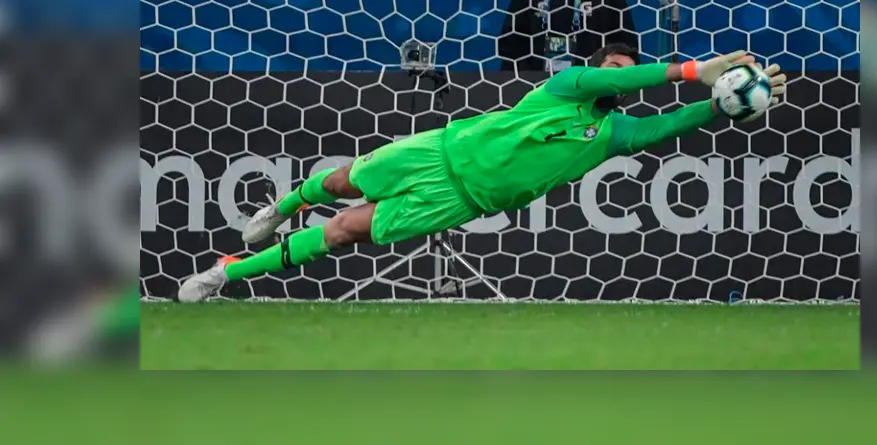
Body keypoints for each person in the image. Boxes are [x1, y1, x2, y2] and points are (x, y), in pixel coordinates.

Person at [178, 44, 787, 302]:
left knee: (343, 235)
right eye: (620, 64)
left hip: (460, 199)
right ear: (600, 68)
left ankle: (227, 272)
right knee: (340, 185)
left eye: (632, 67)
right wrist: (686, 71)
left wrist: (720, 105)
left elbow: (665, 128)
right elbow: (619, 78)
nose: (624, 73)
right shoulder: (570, 84)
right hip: (437, 151)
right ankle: (284, 206)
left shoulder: (612, 133)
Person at [498, 0, 637, 72]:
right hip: (538, 87)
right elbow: (511, 44)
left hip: (589, 86)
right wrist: (528, 78)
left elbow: (625, 44)